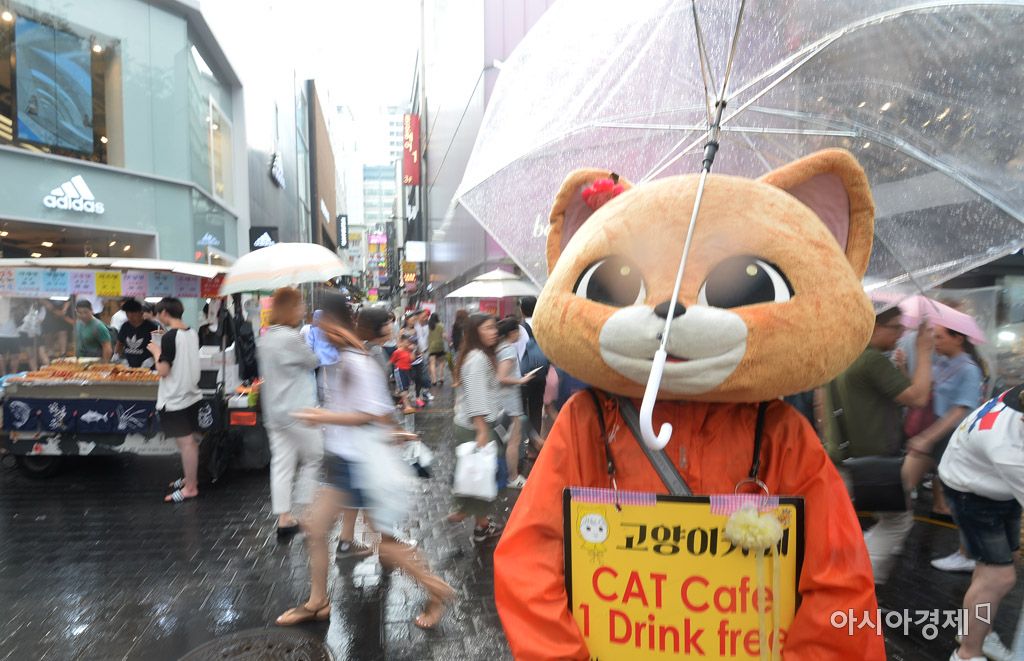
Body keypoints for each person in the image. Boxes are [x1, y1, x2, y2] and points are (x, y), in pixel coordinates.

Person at [278, 294, 455, 629]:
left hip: (356, 465)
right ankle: (318, 602)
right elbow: (379, 413)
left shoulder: (356, 360)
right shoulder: (343, 358)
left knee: (384, 545)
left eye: (323, 324)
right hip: (343, 460)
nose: (320, 331)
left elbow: (369, 413)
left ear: (337, 323)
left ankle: (437, 589)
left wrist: (324, 416)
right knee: (319, 528)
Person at [825, 309, 933, 584]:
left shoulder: (841, 355)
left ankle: (860, 574)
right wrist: (924, 351)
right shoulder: (872, 360)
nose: (901, 334)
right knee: (897, 522)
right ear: (874, 327)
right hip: (872, 463)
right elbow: (918, 398)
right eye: (896, 327)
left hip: (843, 457)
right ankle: (860, 580)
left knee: (862, 522)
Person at [940, 386, 1024, 661]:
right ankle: (967, 653)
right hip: (973, 493)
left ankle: (977, 632)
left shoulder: (1017, 396)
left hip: (993, 480)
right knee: (999, 577)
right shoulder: (1009, 450)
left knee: (997, 565)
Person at [916, 323, 987, 573]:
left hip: (956, 439)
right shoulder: (942, 363)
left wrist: (928, 436)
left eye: (940, 337)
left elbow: (961, 409)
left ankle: (969, 554)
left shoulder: (969, 370)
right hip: (938, 436)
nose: (936, 341)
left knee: (962, 498)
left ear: (958, 338)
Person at [256, 288, 323, 537]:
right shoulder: (291, 337)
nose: (303, 309)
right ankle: (305, 513)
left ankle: (284, 519)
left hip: (274, 412)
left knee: (282, 465)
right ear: (290, 308)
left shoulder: (265, 338)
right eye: (300, 304)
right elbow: (313, 361)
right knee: (314, 456)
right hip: (298, 411)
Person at [448, 313, 504, 543]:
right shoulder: (477, 359)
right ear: (474, 332)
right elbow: (475, 396)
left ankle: (475, 517)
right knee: (484, 473)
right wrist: (481, 429)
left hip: (476, 424)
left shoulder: (477, 355)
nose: (494, 332)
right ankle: (474, 519)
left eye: (494, 327)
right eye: (488, 328)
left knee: (481, 473)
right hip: (476, 426)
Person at [148, 297, 204, 503]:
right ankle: (190, 479)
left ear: (164, 313)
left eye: (158, 314)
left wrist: (156, 351)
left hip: (175, 398)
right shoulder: (192, 332)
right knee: (190, 442)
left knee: (186, 443)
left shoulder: (171, 336)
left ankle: (191, 487)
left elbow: (163, 370)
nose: (158, 318)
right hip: (191, 395)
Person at [496, 318, 535, 489]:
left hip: (502, 401)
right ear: (512, 333)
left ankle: (506, 474)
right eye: (518, 330)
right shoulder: (509, 350)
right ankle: (513, 477)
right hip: (510, 402)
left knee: (505, 439)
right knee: (514, 440)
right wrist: (522, 380)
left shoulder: (499, 348)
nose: (520, 334)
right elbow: (502, 377)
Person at [516, 296, 546, 442]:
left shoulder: (520, 329)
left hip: (523, 375)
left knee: (522, 409)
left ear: (522, 310)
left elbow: (518, 352)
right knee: (536, 408)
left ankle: (525, 441)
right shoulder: (543, 325)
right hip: (541, 372)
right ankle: (535, 442)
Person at [115, 299, 159, 368]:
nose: (130, 316)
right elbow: (120, 343)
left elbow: (158, 346)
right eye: (127, 313)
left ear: (141, 313)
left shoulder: (152, 327)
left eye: (133, 313)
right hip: (129, 365)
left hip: (147, 365)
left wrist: (152, 359)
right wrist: (116, 355)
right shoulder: (125, 326)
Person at [390, 337, 418, 414]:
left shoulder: (408, 351)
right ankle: (407, 406)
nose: (407, 344)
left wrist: (413, 350)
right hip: (400, 371)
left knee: (404, 388)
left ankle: (397, 401)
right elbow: (391, 361)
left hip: (407, 371)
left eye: (408, 342)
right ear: (401, 342)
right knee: (403, 389)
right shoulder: (397, 352)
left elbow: (412, 359)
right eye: (406, 342)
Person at [426, 313, 447, 386]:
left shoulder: (428, 326)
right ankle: (441, 377)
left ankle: (434, 380)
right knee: (441, 362)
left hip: (431, 347)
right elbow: (444, 335)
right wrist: (449, 341)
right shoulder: (440, 325)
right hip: (439, 346)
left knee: (432, 364)